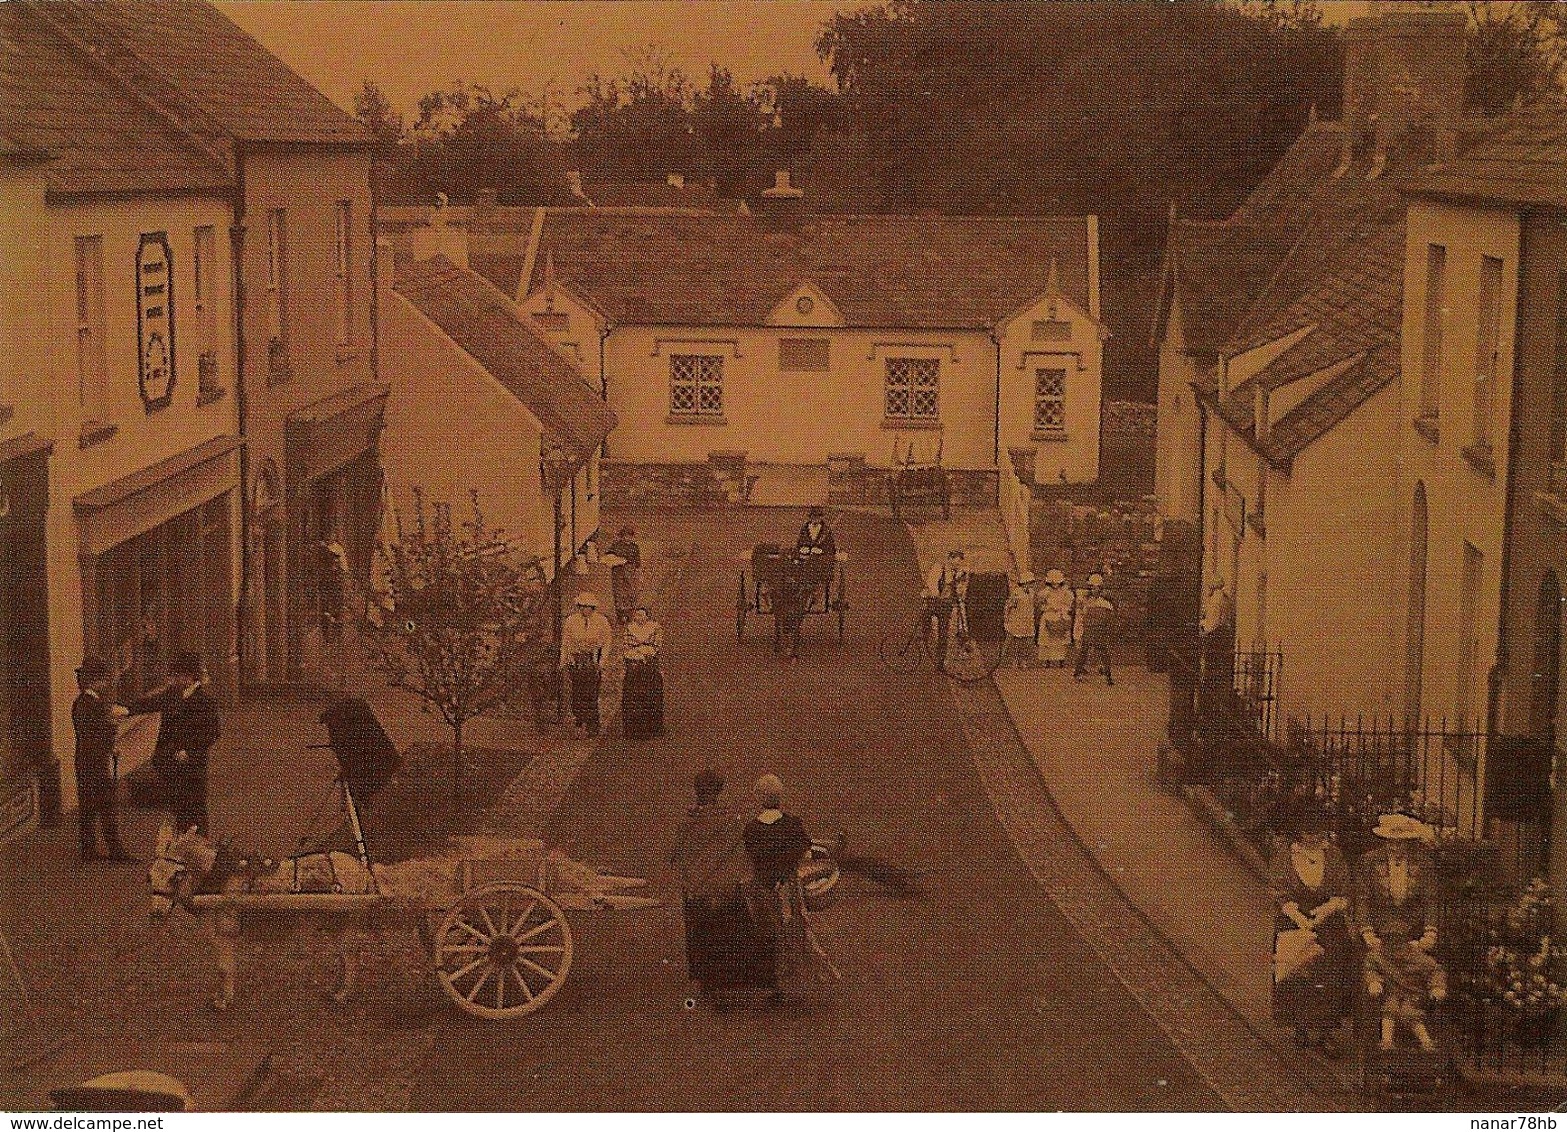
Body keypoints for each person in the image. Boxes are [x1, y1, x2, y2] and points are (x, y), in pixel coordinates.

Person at [1268, 801, 1352, 1054]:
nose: (1314, 838)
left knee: (1328, 978)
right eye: (1308, 833)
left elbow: (1344, 890)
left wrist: (1327, 909)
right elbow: (1277, 889)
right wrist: (1296, 914)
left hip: (1328, 923)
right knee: (1298, 974)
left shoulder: (1333, 856)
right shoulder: (1286, 855)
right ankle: (1301, 1027)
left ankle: (1326, 1031)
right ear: (1300, 833)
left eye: (1318, 832)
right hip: (1294, 921)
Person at [669, 770, 758, 1007]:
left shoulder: (687, 823)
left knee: (701, 934)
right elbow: (742, 853)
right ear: (719, 792)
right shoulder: (730, 821)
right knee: (728, 930)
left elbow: (676, 855)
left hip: (698, 890)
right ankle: (731, 977)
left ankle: (707, 980)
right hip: (725, 889)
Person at [126, 651, 220, 835]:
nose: (173, 679)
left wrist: (189, 751)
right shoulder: (172, 695)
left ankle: (199, 847)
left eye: (177, 675)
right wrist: (127, 709)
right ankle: (183, 845)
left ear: (190, 676)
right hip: (170, 761)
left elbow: (212, 733)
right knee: (179, 806)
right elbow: (149, 703)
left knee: (196, 806)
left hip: (193, 764)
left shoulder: (205, 702)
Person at [742, 774, 816, 1003]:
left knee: (768, 936)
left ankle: (777, 985)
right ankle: (799, 983)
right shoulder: (793, 824)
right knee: (794, 934)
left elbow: (749, 858)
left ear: (758, 798)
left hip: (764, 891)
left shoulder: (751, 830)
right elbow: (806, 852)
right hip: (789, 889)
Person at [71, 655, 133, 863]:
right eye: (103, 679)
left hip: (85, 762)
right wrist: (113, 728)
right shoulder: (91, 704)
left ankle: (89, 851)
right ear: (95, 681)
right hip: (94, 763)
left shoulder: (81, 703)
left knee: (88, 808)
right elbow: (94, 735)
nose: (106, 683)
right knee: (106, 807)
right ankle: (116, 852)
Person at [1355, 813, 1439, 960]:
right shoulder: (1369, 861)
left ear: (1408, 841)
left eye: (1400, 842)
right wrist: (1367, 933)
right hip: (1379, 929)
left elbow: (1430, 899)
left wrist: (1429, 933)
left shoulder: (1423, 862)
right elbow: (1362, 899)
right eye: (1391, 842)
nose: (1395, 847)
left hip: (1413, 928)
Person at [1364, 918, 1447, 1052]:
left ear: (1406, 941)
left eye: (1399, 942)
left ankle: (1426, 1042)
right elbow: (1371, 970)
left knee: (1409, 1011)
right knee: (1389, 1007)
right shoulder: (1376, 957)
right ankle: (1386, 1041)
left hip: (1414, 995)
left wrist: (1437, 987)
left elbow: (1435, 971)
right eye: (1390, 942)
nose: (1395, 947)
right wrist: (1374, 982)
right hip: (1390, 993)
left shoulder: (1418, 957)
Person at [560, 592, 612, 736]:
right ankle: (579, 721)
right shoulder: (571, 621)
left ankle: (592, 724)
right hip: (576, 662)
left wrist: (602, 662)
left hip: (593, 660)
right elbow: (566, 642)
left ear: (593, 608)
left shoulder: (601, 621)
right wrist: (565, 660)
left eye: (588, 607)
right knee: (578, 692)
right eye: (582, 607)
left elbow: (607, 642)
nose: (585, 610)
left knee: (592, 693)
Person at [621, 606, 665, 740]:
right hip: (634, 664)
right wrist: (637, 652)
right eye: (637, 615)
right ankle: (634, 728)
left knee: (652, 696)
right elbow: (627, 645)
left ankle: (653, 727)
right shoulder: (629, 629)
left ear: (647, 616)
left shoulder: (655, 628)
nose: (640, 618)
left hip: (650, 666)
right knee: (632, 697)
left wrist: (644, 650)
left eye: (642, 615)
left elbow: (656, 646)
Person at [922, 549, 970, 671]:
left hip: (946, 606)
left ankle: (940, 662)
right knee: (925, 616)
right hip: (935, 601)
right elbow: (931, 583)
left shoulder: (960, 573)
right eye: (955, 562)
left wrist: (959, 583)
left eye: (959, 563)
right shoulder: (939, 568)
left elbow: (960, 593)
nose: (956, 565)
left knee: (943, 634)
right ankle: (923, 637)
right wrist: (935, 595)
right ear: (949, 559)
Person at [1072, 573, 1117, 685]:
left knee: (1103, 652)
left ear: (1100, 588)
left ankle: (1108, 675)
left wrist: (1107, 629)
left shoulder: (1105, 603)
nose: (1094, 590)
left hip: (1100, 630)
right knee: (1084, 651)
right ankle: (1078, 673)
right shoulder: (1085, 602)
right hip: (1089, 630)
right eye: (1092, 587)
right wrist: (1079, 630)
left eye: (1096, 587)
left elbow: (1110, 617)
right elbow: (1080, 616)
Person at [772, 554, 811, 661]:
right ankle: (788, 647)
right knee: (784, 621)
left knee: (795, 623)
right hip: (786, 600)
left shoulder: (800, 579)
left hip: (794, 600)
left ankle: (793, 650)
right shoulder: (781, 580)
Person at [602, 526, 643, 626]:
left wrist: (637, 570)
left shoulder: (634, 547)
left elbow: (637, 562)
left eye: (629, 536)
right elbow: (608, 556)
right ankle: (620, 615)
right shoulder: (616, 545)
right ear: (622, 536)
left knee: (630, 591)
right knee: (618, 592)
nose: (627, 538)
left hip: (629, 571)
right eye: (625, 536)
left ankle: (629, 614)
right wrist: (613, 559)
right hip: (617, 571)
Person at [795, 506, 837, 598]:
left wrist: (821, 550)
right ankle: (801, 587)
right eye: (813, 517)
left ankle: (812, 589)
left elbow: (831, 548)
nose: (815, 519)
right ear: (810, 518)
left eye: (817, 517)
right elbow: (799, 544)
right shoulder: (804, 529)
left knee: (816, 565)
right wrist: (803, 548)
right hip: (805, 558)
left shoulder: (826, 531)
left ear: (821, 518)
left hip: (821, 561)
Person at [1037, 568, 1075, 668]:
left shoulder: (1065, 592)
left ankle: (1061, 661)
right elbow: (1041, 603)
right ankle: (1047, 661)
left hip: (1060, 615)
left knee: (1060, 640)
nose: (1055, 585)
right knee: (1047, 640)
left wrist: (1062, 609)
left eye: (1057, 582)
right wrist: (1048, 607)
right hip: (1048, 615)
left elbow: (1069, 604)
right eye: (1053, 583)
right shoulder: (1046, 592)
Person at [1002, 572, 1038, 669]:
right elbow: (1008, 607)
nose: (1031, 585)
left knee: (1027, 642)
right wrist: (1006, 619)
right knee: (1016, 641)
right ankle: (1014, 660)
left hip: (1028, 620)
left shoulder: (1032, 593)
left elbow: (1032, 606)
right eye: (1029, 582)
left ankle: (1023, 660)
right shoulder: (1017, 593)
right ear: (1024, 583)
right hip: (1017, 619)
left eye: (1032, 583)